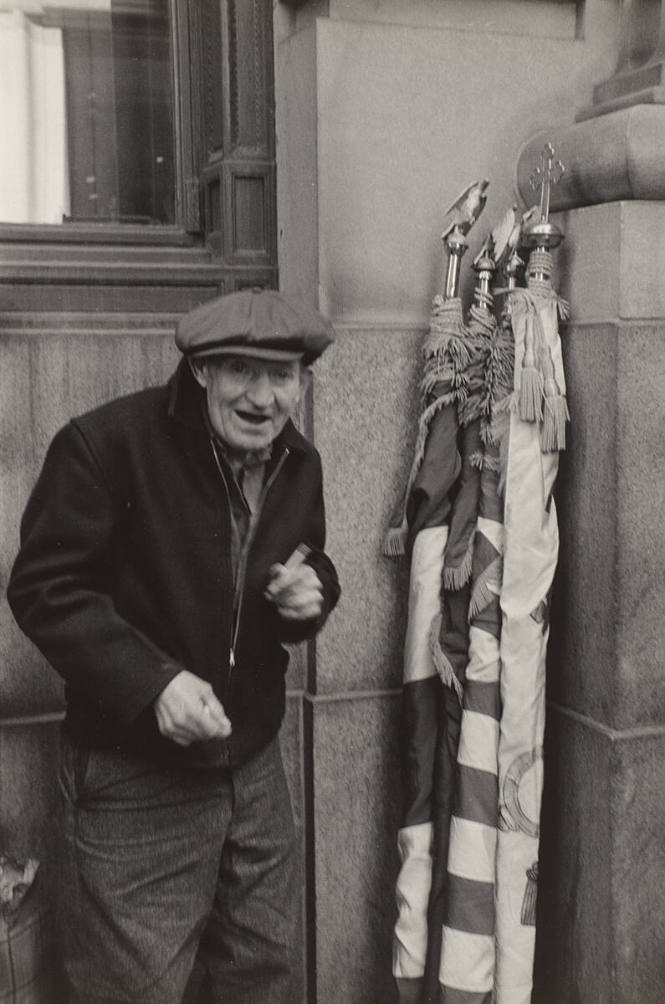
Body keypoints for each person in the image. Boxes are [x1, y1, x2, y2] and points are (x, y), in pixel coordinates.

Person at [7, 288, 340, 1004]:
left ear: (302, 381)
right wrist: (153, 683)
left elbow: (308, 559)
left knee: (266, 977)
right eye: (239, 371)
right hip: (134, 783)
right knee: (130, 991)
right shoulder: (105, 445)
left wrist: (311, 595)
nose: (261, 397)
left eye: (280, 375)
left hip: (253, 772)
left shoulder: (298, 462)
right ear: (198, 371)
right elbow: (44, 587)